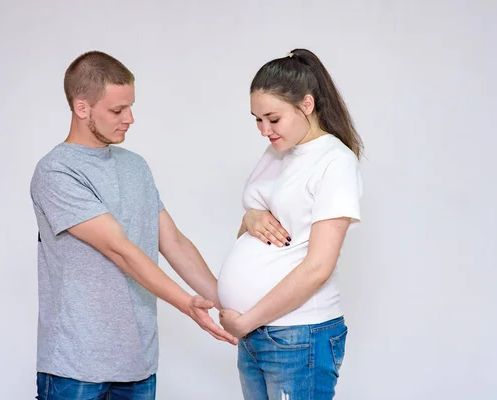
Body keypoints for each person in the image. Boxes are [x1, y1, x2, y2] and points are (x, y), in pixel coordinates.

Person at [30, 50, 237, 400]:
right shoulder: (57, 172)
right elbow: (121, 250)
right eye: (117, 110)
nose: (130, 118)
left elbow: (173, 243)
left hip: (138, 365)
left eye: (130, 106)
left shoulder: (135, 166)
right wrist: (187, 304)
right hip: (75, 368)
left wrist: (227, 303)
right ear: (82, 108)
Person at [218, 48, 364, 400]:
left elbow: (318, 267)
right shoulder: (277, 152)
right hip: (259, 334)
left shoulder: (335, 162)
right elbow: (254, 231)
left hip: (298, 336)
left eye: (273, 118)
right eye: (256, 119)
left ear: (307, 105)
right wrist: (249, 217)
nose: (264, 130)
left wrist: (247, 320)